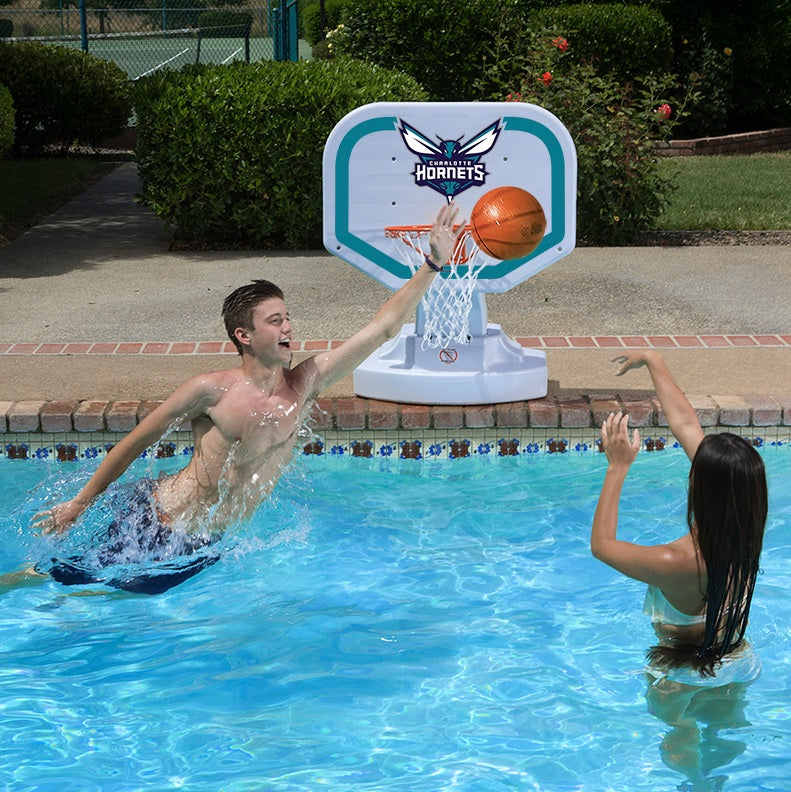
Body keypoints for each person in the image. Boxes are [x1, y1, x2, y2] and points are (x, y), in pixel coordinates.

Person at [25, 203, 466, 593]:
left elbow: (382, 329)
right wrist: (79, 504)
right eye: (275, 321)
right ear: (245, 335)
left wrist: (431, 264)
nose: (288, 327)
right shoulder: (211, 390)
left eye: (288, 318)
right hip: (162, 522)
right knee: (56, 585)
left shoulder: (306, 382)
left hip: (208, 542)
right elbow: (135, 442)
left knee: (105, 604)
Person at [591, 350, 767, 684]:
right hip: (735, 657)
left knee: (679, 734)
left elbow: (601, 546)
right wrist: (653, 361)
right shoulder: (747, 523)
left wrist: (617, 467)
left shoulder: (676, 561)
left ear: (700, 488)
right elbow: (686, 424)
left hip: (677, 674)